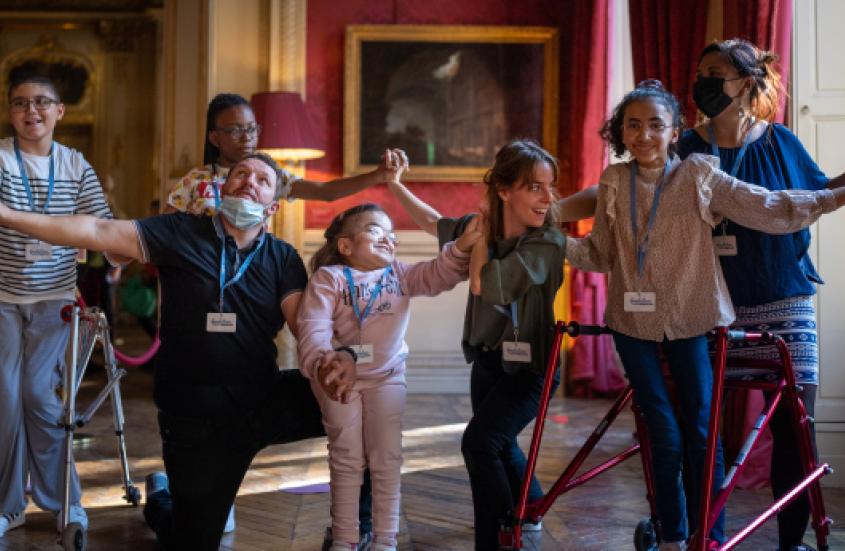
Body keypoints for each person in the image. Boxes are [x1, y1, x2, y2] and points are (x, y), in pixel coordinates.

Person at [565, 80, 845, 551]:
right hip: (631, 323)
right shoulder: (614, 181)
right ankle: (674, 535)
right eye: (633, 125)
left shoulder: (698, 172)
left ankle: (707, 537)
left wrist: (832, 197)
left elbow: (768, 207)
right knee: (662, 429)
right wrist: (548, 239)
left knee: (701, 428)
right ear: (620, 132)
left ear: (676, 132)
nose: (644, 134)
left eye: (656, 125)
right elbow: (599, 253)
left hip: (693, 316)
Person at [0, 152, 328, 550]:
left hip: (261, 399)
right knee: (190, 542)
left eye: (262, 179)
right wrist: (7, 216)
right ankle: (160, 499)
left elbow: (303, 324)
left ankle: (356, 527)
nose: (249, 181)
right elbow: (98, 230)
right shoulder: (181, 232)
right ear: (222, 188)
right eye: (241, 173)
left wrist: (332, 361)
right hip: (195, 416)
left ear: (273, 207)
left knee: (366, 401)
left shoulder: (283, 257)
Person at [681, 39, 845, 551]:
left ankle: (792, 542)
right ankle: (702, 533)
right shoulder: (685, 147)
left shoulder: (781, 142)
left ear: (747, 84)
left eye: (717, 74)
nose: (705, 82)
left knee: (797, 435)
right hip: (710, 307)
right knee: (700, 431)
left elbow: (818, 196)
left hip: (784, 302)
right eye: (702, 72)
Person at [297, 203, 480, 551]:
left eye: (392, 234)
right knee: (347, 457)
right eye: (375, 230)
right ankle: (346, 538)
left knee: (386, 457)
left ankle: (385, 539)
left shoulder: (399, 274)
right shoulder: (329, 279)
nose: (388, 238)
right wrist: (324, 366)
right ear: (346, 246)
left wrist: (461, 247)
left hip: (387, 378)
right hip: (338, 381)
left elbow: (439, 273)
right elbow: (313, 330)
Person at [432, 140, 566, 550]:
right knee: (499, 442)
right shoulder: (478, 226)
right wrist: (393, 184)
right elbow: (432, 222)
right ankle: (531, 508)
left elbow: (483, 283)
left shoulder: (548, 242)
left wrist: (481, 241)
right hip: (488, 361)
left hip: (531, 369)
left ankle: (500, 538)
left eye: (550, 187)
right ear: (504, 190)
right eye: (535, 187)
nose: (547, 198)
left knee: (480, 443)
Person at [0, 74, 112, 538]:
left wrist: (122, 255)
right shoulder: (1, 158)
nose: (32, 111)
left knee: (38, 398)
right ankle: (9, 508)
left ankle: (65, 503)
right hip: (3, 298)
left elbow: (102, 222)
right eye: (21, 103)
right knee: (4, 401)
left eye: (42, 102)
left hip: (55, 300)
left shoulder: (74, 164)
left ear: (59, 111)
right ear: (10, 113)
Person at [167, 93, 402, 215]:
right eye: (236, 130)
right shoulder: (197, 179)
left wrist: (377, 176)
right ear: (215, 138)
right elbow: (158, 231)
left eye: (251, 129)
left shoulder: (268, 176)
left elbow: (326, 192)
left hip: (252, 277)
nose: (247, 137)